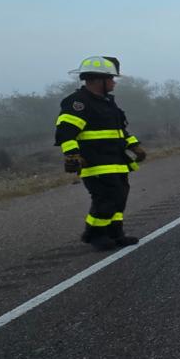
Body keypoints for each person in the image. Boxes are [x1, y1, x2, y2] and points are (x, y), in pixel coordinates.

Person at [55, 56, 147, 251]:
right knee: (105, 199)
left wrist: (134, 146)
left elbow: (120, 131)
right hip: (95, 162)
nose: (114, 82)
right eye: (111, 78)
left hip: (115, 160)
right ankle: (95, 235)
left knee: (119, 196)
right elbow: (66, 132)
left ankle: (115, 233)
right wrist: (71, 155)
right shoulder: (77, 103)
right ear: (98, 80)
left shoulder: (107, 102)